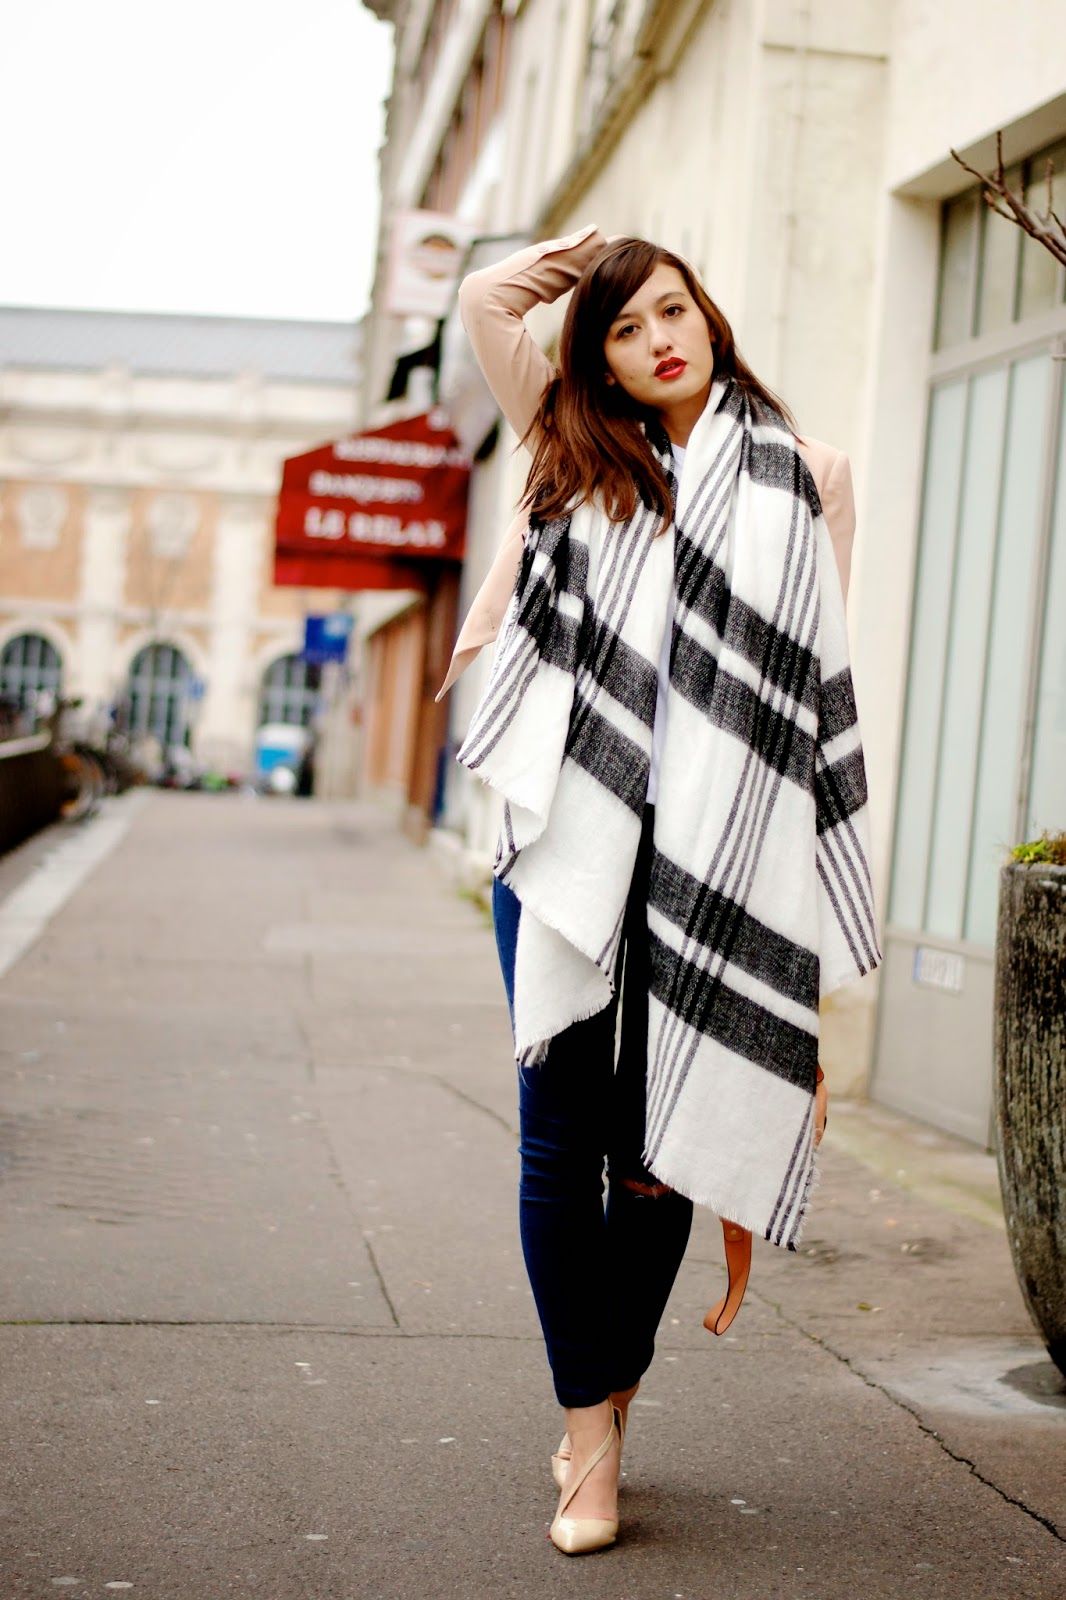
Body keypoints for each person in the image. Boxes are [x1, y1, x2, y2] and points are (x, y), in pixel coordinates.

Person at [436, 225, 879, 1555]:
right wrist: (592, 257)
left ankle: (607, 1393)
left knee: (659, 1148)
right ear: (600, 360)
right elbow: (483, 300)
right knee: (556, 1141)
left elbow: (794, 697)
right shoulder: (574, 447)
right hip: (571, 841)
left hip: (713, 856)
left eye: (670, 310)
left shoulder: (807, 477)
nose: (655, 342)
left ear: (709, 315)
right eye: (624, 330)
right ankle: (589, 1435)